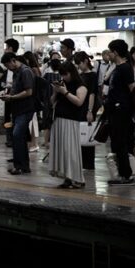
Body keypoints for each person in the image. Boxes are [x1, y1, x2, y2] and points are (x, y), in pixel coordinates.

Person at [49, 60, 88, 189]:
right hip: (58, 119)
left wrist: (64, 92)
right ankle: (67, 177)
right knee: (62, 151)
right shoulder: (62, 84)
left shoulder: (80, 85)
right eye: (62, 74)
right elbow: (52, 102)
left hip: (71, 120)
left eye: (65, 74)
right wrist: (56, 91)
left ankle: (77, 178)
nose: (63, 77)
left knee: (70, 150)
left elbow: (79, 102)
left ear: (72, 72)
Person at [104, 39, 135, 186]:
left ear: (115, 52)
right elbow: (106, 82)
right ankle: (120, 173)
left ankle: (126, 174)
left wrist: (125, 106)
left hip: (121, 110)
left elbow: (132, 89)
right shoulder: (116, 67)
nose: (108, 54)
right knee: (116, 142)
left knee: (121, 142)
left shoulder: (125, 68)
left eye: (110, 52)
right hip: (114, 109)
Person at [0, 53, 35, 175]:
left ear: (13, 60)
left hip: (25, 109)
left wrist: (12, 97)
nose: (8, 68)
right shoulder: (16, 72)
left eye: (7, 65)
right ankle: (24, 166)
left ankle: (18, 166)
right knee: (20, 137)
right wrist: (9, 94)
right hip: (18, 109)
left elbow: (29, 92)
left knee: (17, 135)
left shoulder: (25, 71)